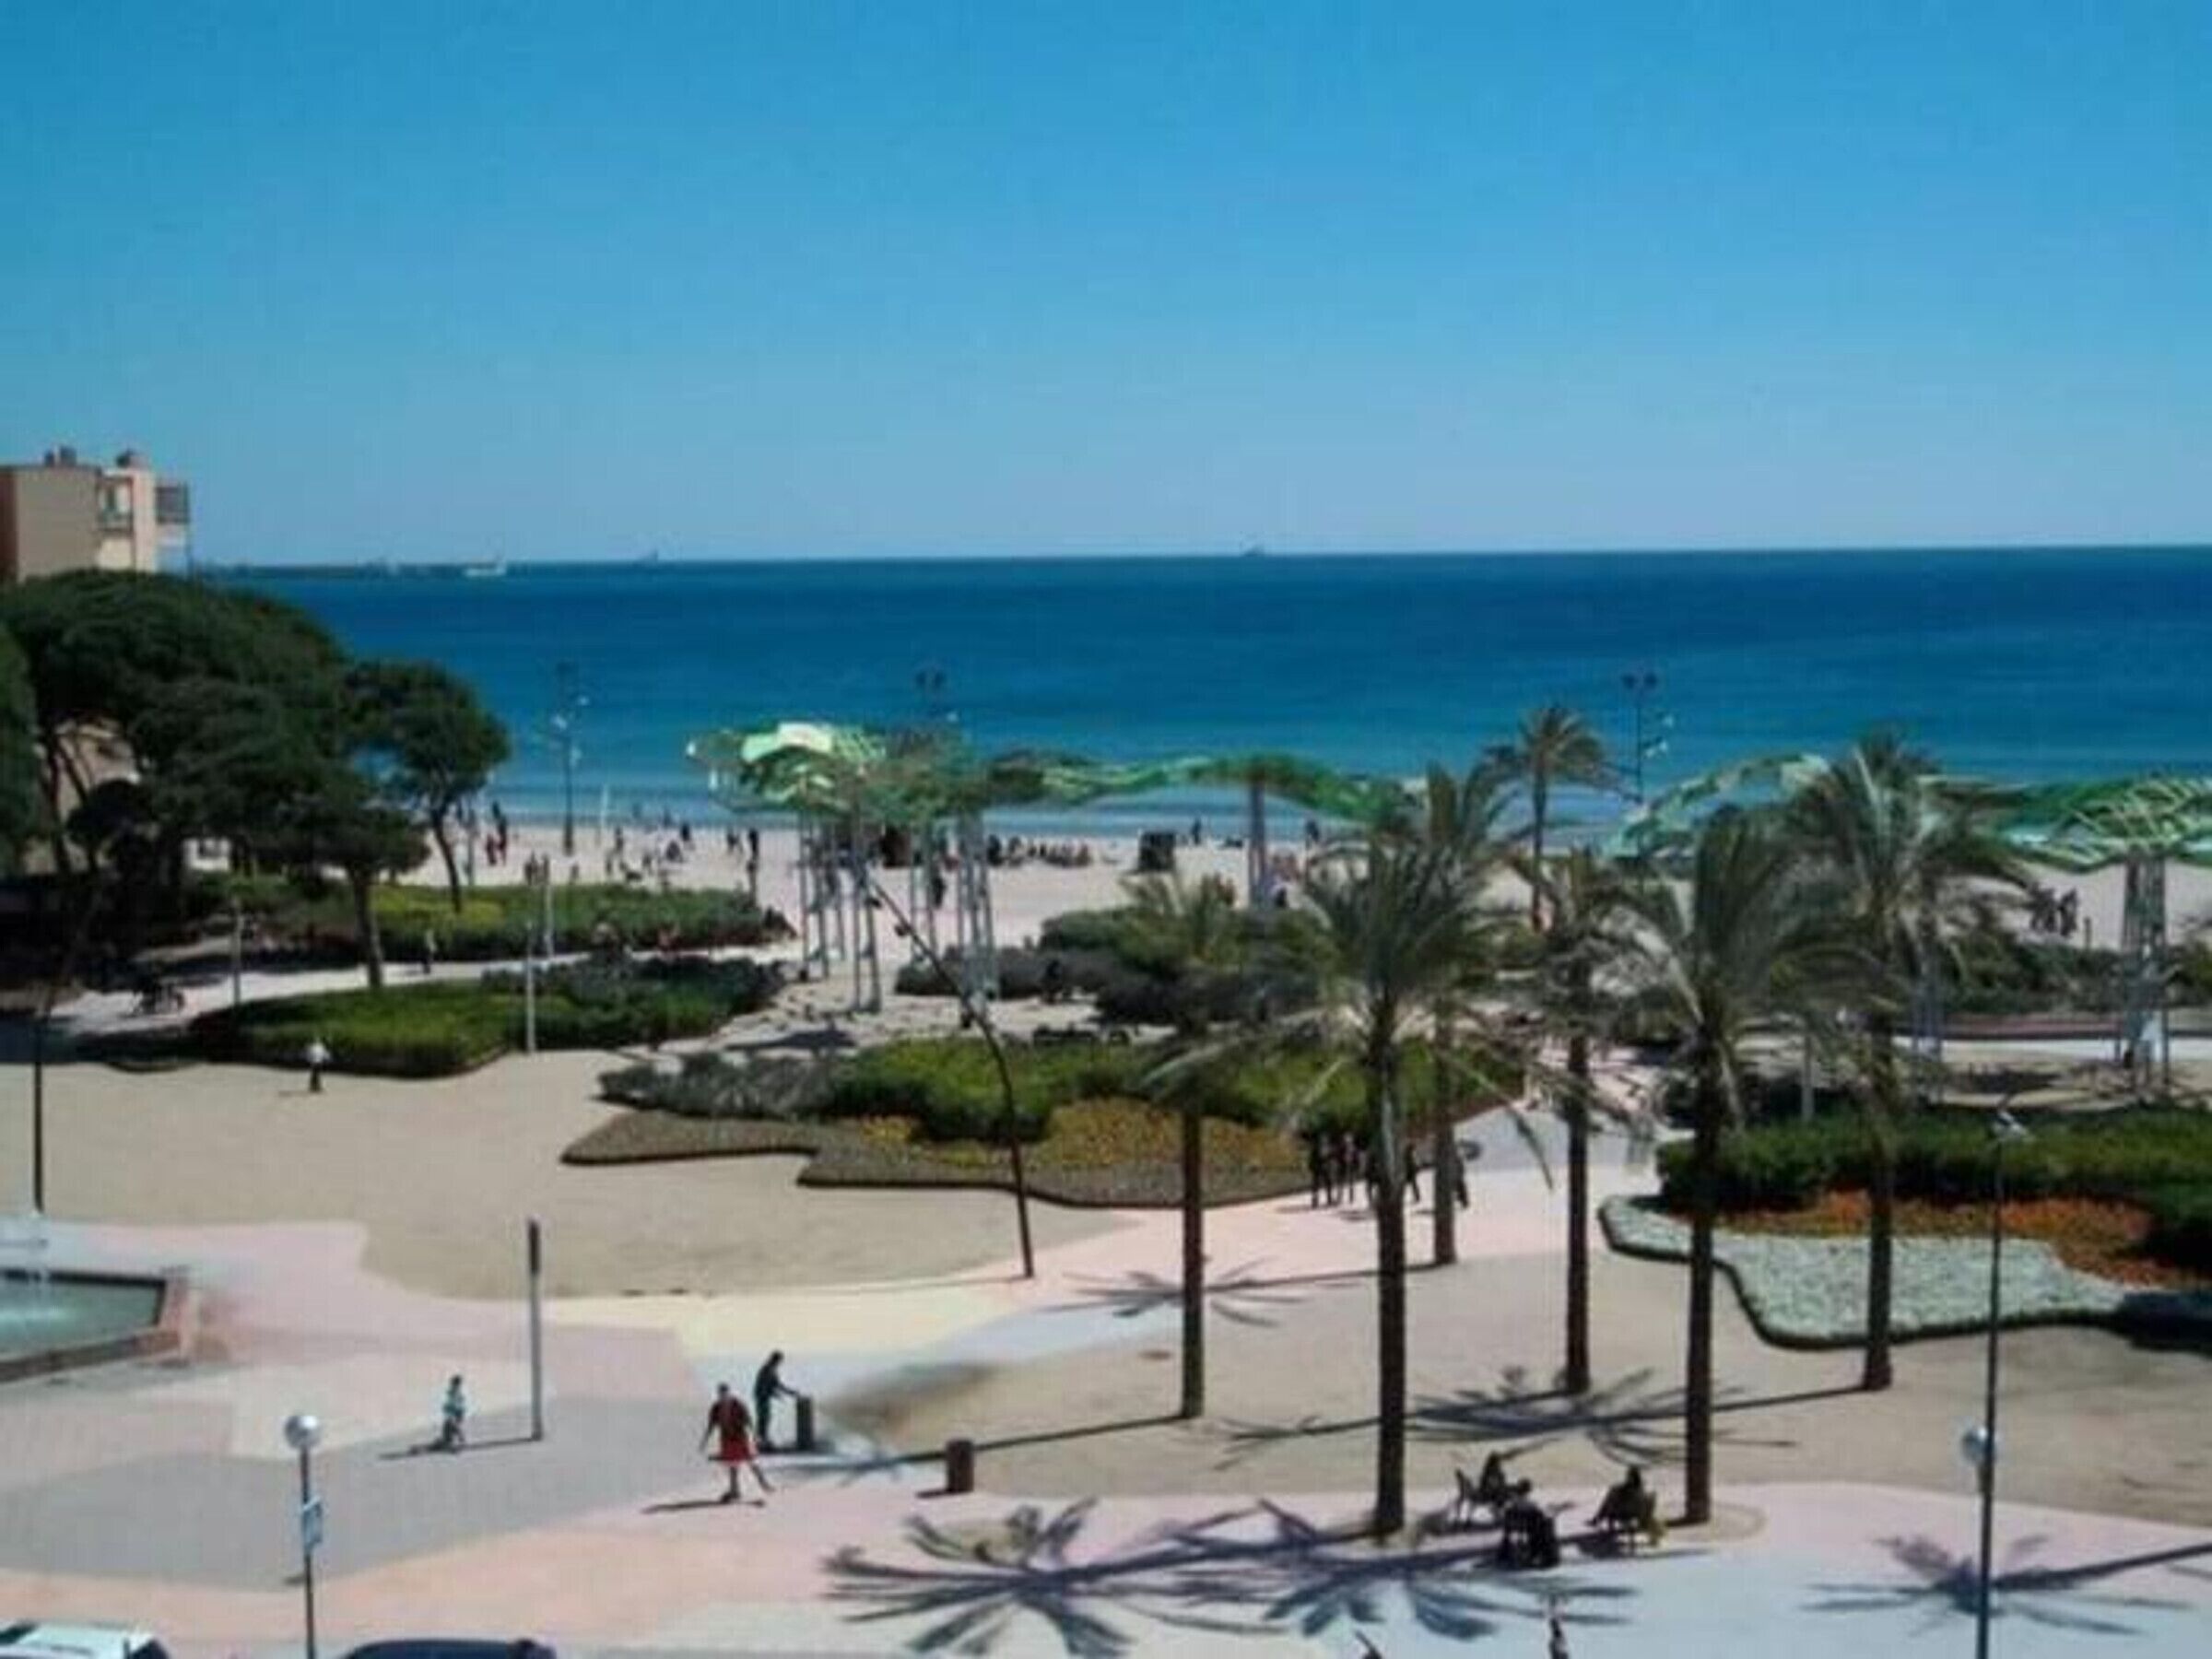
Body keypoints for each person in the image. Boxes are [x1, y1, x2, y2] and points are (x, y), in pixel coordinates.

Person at [700, 1382, 771, 1502]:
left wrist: (754, 1436)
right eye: (721, 1394)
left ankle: (764, 1484)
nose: (723, 1396)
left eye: (725, 1393)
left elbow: (749, 1420)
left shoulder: (738, 1404)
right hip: (727, 1439)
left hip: (740, 1437)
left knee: (751, 1461)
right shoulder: (716, 1407)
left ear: (729, 1393)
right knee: (732, 1465)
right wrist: (704, 1441)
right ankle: (735, 1491)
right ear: (718, 1394)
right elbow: (711, 1425)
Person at [753, 1350, 798, 1451]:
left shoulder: (772, 1370)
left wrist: (790, 1392)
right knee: (763, 1419)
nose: (780, 1363)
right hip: (761, 1398)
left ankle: (762, 1440)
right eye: (780, 1361)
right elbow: (764, 1386)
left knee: (766, 1418)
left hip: (765, 1397)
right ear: (775, 1360)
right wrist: (775, 1394)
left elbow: (777, 1384)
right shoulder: (766, 1369)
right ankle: (760, 1441)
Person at [437, 1373, 468, 1452]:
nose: (452, 1384)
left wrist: (453, 1410)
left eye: (454, 1383)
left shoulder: (456, 1392)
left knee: (452, 1426)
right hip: (454, 1413)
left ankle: (453, 1442)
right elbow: (451, 1403)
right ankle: (448, 1441)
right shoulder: (453, 1392)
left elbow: (457, 1404)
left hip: (455, 1413)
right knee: (449, 1427)